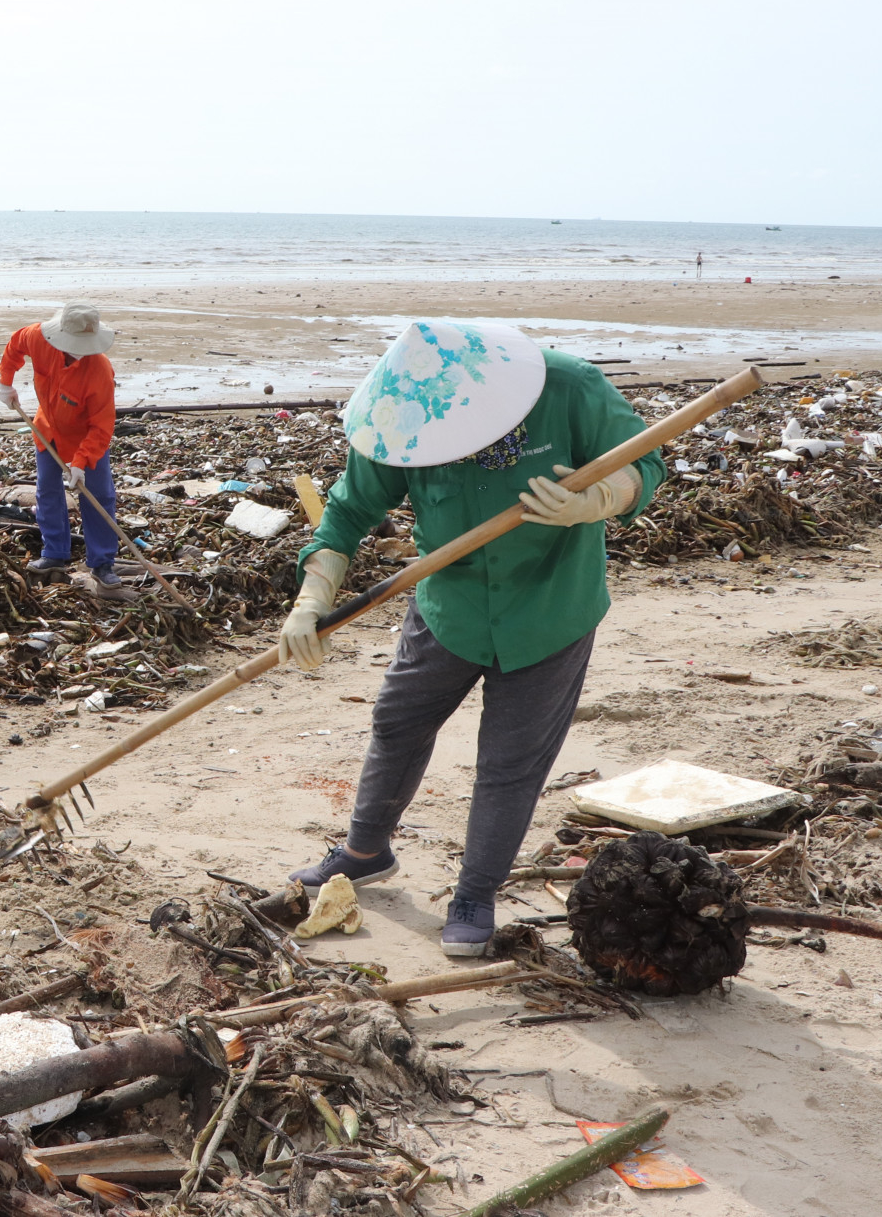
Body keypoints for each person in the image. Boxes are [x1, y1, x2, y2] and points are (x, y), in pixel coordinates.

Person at [278, 321, 664, 957]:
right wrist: (310, 601)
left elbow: (647, 463)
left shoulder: (567, 386)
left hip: (550, 607)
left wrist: (596, 500)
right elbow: (346, 514)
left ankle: (475, 893)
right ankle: (365, 851)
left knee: (510, 762)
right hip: (449, 605)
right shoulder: (401, 415)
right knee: (397, 722)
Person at [0, 302, 121, 586]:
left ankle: (102, 562)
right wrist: (6, 381)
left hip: (87, 440)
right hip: (47, 430)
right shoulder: (39, 338)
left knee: (99, 495)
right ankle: (54, 552)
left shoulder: (100, 371)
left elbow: (102, 427)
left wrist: (80, 462)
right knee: (47, 491)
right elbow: (15, 345)